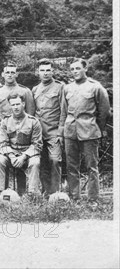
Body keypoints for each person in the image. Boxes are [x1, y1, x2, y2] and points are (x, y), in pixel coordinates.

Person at [59, 58, 110, 206]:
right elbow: (64, 112)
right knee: (71, 166)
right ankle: (75, 198)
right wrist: (62, 132)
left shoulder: (96, 87)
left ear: (85, 69)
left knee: (91, 167)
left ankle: (92, 199)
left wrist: (97, 128)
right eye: (72, 69)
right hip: (70, 131)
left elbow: (104, 112)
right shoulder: (67, 88)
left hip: (89, 131)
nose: (75, 72)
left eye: (78, 68)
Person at [0, 94, 42, 196]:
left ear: (23, 104)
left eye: (18, 104)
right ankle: (1, 193)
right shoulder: (5, 121)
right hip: (11, 153)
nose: (15, 107)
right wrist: (11, 157)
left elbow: (37, 145)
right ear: (10, 106)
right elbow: (3, 144)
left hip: (27, 153)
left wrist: (23, 157)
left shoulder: (33, 121)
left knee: (35, 162)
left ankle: (32, 194)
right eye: (13, 105)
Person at [32, 58, 64, 197]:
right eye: (42, 70)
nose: (45, 73)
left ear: (53, 71)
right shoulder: (35, 89)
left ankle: (55, 193)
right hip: (39, 133)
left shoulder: (60, 87)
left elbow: (64, 110)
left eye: (48, 70)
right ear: (37, 72)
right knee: (42, 163)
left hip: (54, 131)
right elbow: (34, 112)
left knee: (55, 160)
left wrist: (61, 132)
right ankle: (46, 192)